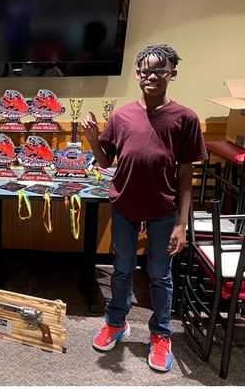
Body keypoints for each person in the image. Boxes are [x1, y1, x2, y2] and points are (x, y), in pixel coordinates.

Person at [81, 43, 207, 372]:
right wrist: (94, 140)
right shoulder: (122, 116)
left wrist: (182, 224)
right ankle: (116, 322)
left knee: (160, 275)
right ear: (138, 74)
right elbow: (107, 161)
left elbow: (185, 175)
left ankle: (161, 333)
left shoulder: (185, 118)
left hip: (164, 210)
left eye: (159, 70)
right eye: (145, 70)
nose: (151, 76)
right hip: (125, 205)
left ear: (172, 74)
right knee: (121, 269)